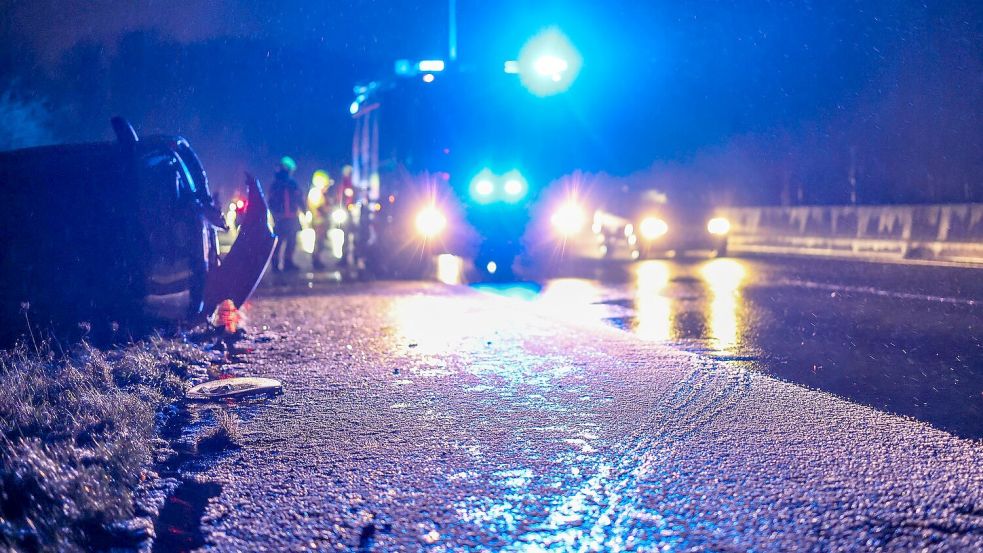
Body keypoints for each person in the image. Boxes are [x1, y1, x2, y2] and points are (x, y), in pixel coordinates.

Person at [268, 156, 304, 272]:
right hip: (285, 218)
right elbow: (299, 198)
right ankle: (281, 264)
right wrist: (303, 209)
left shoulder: (278, 183)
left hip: (286, 218)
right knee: (284, 242)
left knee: (288, 242)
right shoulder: (287, 183)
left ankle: (281, 264)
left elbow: (298, 198)